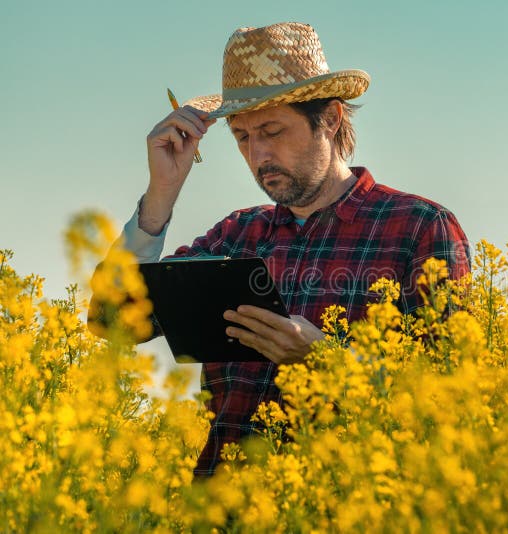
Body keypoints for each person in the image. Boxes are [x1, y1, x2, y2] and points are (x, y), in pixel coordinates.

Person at [105, 22, 471, 478]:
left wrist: (328, 361)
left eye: (272, 131)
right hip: (222, 512)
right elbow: (112, 321)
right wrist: (161, 193)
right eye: (241, 137)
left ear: (331, 119)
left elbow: (454, 397)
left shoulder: (417, 228)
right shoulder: (235, 235)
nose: (258, 156)